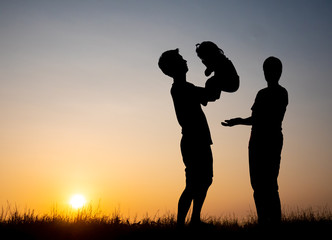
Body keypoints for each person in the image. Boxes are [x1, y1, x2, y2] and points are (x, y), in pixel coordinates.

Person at [222, 56, 288, 225]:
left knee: (270, 185)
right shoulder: (261, 93)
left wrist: (239, 121)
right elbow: (256, 117)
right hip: (256, 142)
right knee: (258, 186)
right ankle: (263, 221)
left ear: (279, 72)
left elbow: (264, 118)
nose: (269, 74)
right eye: (266, 70)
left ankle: (273, 222)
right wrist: (240, 121)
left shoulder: (281, 93)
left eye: (272, 70)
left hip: (271, 141)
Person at [158, 48, 213, 227]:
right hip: (193, 140)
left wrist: (216, 76)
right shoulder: (181, 88)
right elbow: (209, 95)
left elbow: (209, 96)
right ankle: (181, 225)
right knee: (193, 185)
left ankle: (194, 220)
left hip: (199, 139)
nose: (185, 61)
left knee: (204, 181)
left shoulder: (185, 87)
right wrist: (217, 74)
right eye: (181, 59)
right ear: (174, 67)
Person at [196, 41, 240, 105]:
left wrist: (208, 67)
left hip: (231, 81)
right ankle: (208, 97)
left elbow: (207, 73)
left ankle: (208, 97)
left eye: (204, 58)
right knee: (212, 81)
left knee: (211, 82)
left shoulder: (219, 60)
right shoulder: (219, 59)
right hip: (230, 81)